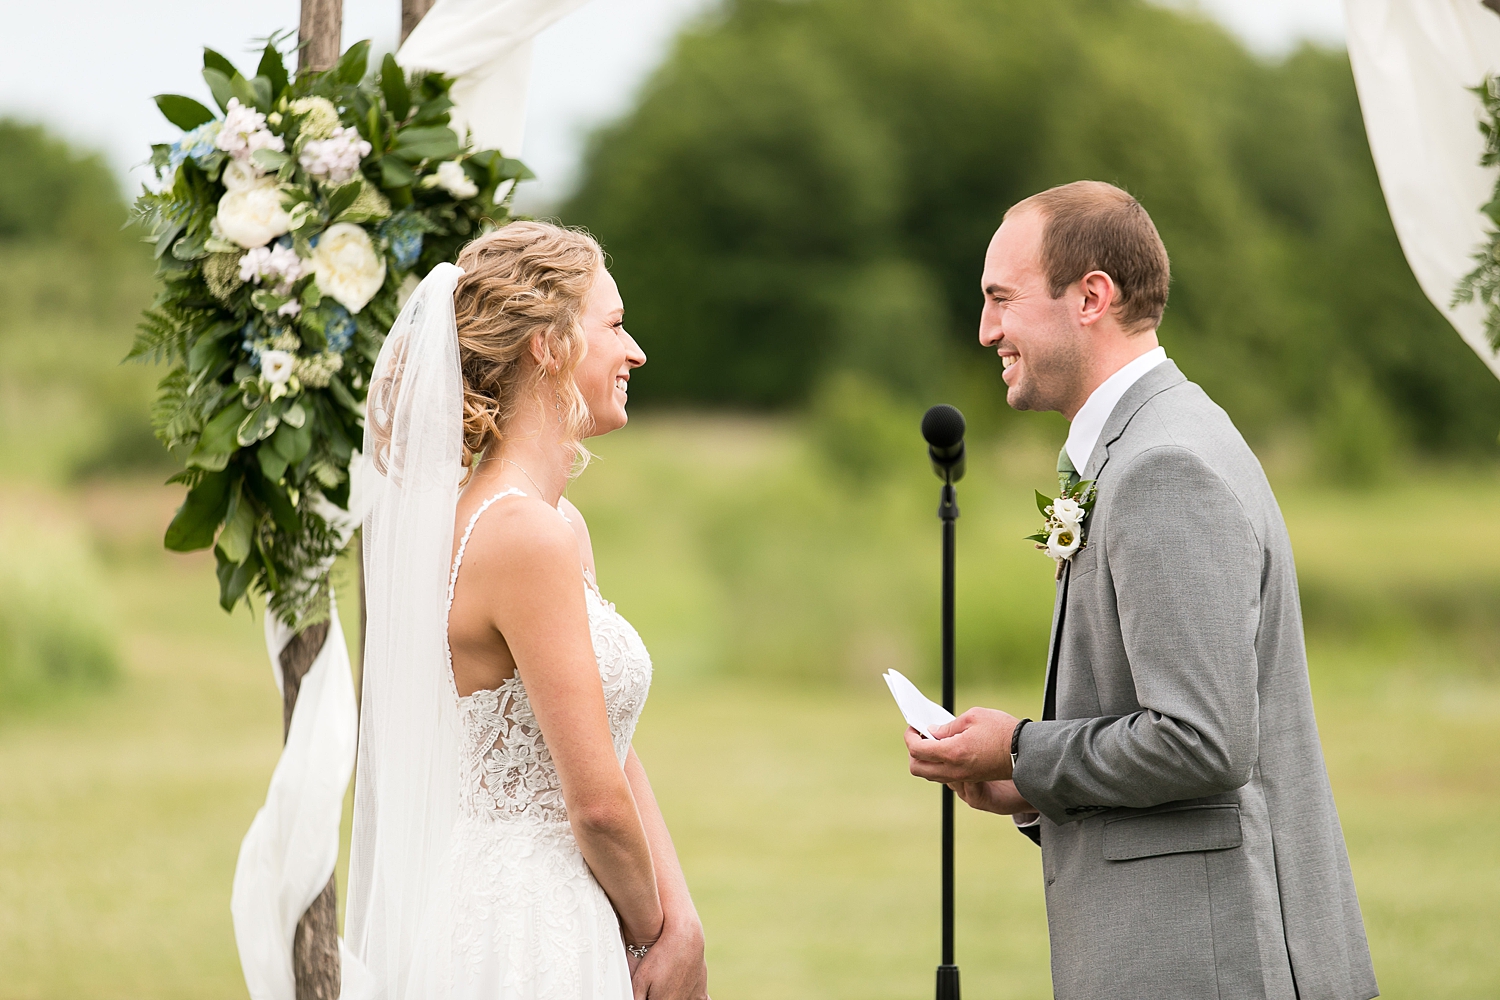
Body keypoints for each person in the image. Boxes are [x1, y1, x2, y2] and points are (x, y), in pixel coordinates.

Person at [905, 182, 1377, 1000]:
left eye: (1000, 299)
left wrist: (1021, 746)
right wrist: (1026, 783)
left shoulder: (1164, 466)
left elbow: (1204, 740)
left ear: (1091, 296)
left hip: (1216, 961)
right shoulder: (1154, 440)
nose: (987, 330)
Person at [347, 221, 709, 1000]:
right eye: (614, 325)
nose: (636, 351)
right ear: (548, 346)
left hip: (568, 896)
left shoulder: (554, 523)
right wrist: (656, 939)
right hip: (530, 919)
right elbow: (597, 806)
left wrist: (685, 921)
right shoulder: (521, 534)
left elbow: (609, 740)